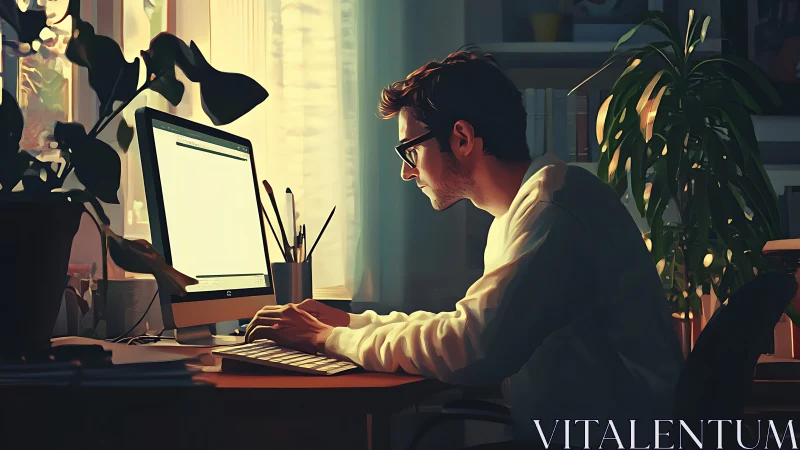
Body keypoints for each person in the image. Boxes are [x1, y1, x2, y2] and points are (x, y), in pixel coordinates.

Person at [245, 51, 684, 448]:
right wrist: (353, 322)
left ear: (461, 138)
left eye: (409, 150)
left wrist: (328, 338)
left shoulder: (552, 211)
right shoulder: (525, 210)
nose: (405, 172)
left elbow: (472, 347)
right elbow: (469, 326)